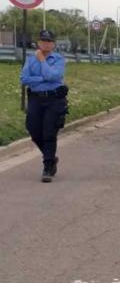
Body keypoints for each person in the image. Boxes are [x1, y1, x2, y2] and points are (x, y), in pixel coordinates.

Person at [19, 29, 69, 182]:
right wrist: (43, 79)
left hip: (53, 99)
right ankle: (51, 157)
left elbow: (54, 76)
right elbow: (24, 78)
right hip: (36, 99)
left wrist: (41, 61)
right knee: (33, 129)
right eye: (43, 41)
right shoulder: (30, 59)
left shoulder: (59, 59)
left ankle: (48, 166)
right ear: (38, 43)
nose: (46, 44)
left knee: (49, 132)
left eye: (49, 42)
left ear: (53, 44)